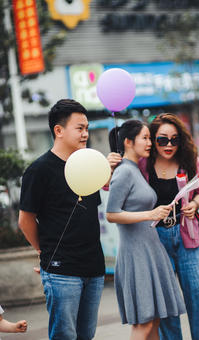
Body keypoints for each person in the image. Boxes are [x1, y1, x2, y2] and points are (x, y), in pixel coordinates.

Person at [18, 99, 105, 340]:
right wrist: (44, 251)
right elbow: (25, 220)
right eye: (80, 128)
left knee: (86, 335)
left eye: (87, 128)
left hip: (94, 268)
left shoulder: (88, 165)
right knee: (65, 336)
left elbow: (89, 215)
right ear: (59, 130)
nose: (85, 134)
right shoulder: (39, 170)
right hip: (61, 271)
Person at [106, 120, 186, 340]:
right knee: (144, 322)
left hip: (149, 250)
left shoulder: (135, 170)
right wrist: (150, 214)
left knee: (154, 319)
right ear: (128, 142)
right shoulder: (124, 172)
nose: (150, 142)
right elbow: (111, 213)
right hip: (136, 254)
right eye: (145, 138)